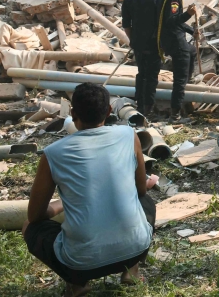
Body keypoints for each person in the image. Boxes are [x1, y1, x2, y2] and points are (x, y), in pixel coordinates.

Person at [24, 83, 157, 297]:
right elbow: (141, 190)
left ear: (73, 113)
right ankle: (131, 271)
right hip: (135, 250)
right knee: (147, 202)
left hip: (80, 264)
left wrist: (59, 206)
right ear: (109, 111)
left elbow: (35, 215)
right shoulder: (128, 135)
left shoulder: (53, 154)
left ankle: (78, 284)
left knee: (30, 227)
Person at [122, 0, 163, 116]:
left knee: (141, 73)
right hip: (154, 43)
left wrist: (132, 40)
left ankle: (139, 103)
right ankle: (148, 108)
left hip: (138, 42)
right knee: (152, 76)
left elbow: (126, 24)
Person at [157, 0, 197, 122]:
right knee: (179, 80)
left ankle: (189, 80)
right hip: (174, 40)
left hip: (171, 38)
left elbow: (175, 20)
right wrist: (189, 14)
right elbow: (172, 21)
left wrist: (191, 30)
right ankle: (175, 115)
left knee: (192, 51)